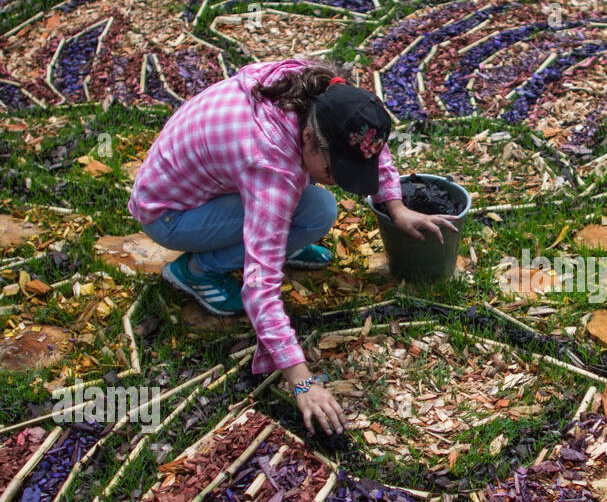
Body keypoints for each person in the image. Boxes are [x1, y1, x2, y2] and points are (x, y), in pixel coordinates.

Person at [128, 57, 459, 437]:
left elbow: (366, 140)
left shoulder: (320, 93)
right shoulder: (271, 164)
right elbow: (260, 285)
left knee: (318, 207)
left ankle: (283, 234)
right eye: (334, 171)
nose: (338, 181)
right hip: (169, 214)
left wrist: (396, 206)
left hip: (209, 186)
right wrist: (302, 382)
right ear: (306, 140)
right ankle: (198, 271)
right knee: (309, 214)